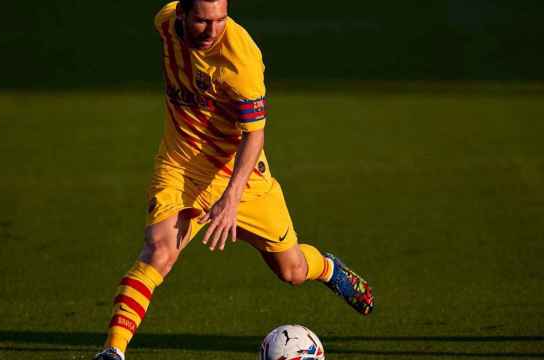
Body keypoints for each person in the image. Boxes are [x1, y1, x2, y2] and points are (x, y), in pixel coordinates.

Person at [94, 1, 374, 359]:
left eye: (220, 19)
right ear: (181, 14)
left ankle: (330, 269)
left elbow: (253, 137)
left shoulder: (240, 60)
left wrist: (230, 197)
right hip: (181, 169)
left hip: (241, 175)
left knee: (291, 270)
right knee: (159, 250)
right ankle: (112, 352)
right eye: (202, 20)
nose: (213, 30)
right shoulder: (165, 22)